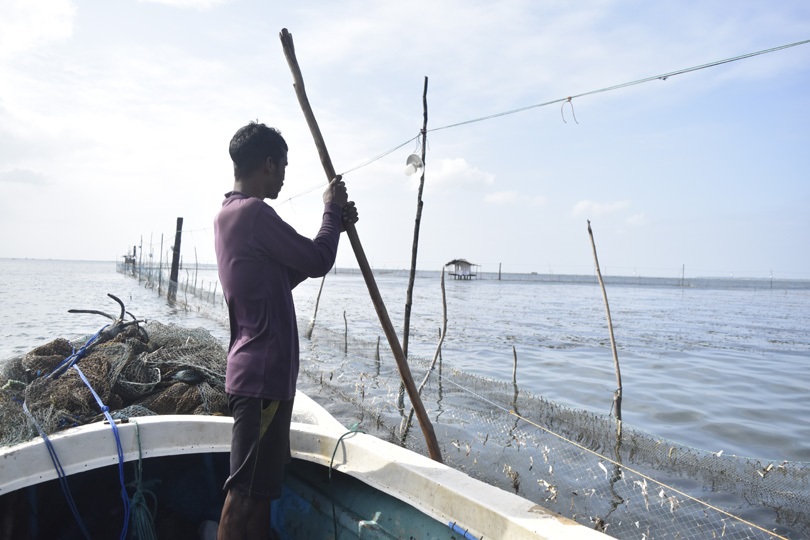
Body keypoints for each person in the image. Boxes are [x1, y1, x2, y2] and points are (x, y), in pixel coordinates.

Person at [213, 121, 358, 540]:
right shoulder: (254, 212)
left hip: (261, 381)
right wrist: (330, 209)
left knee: (261, 497)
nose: (284, 176)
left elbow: (284, 276)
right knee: (242, 498)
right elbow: (316, 260)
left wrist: (336, 228)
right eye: (283, 167)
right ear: (268, 164)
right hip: (261, 382)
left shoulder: (229, 215)